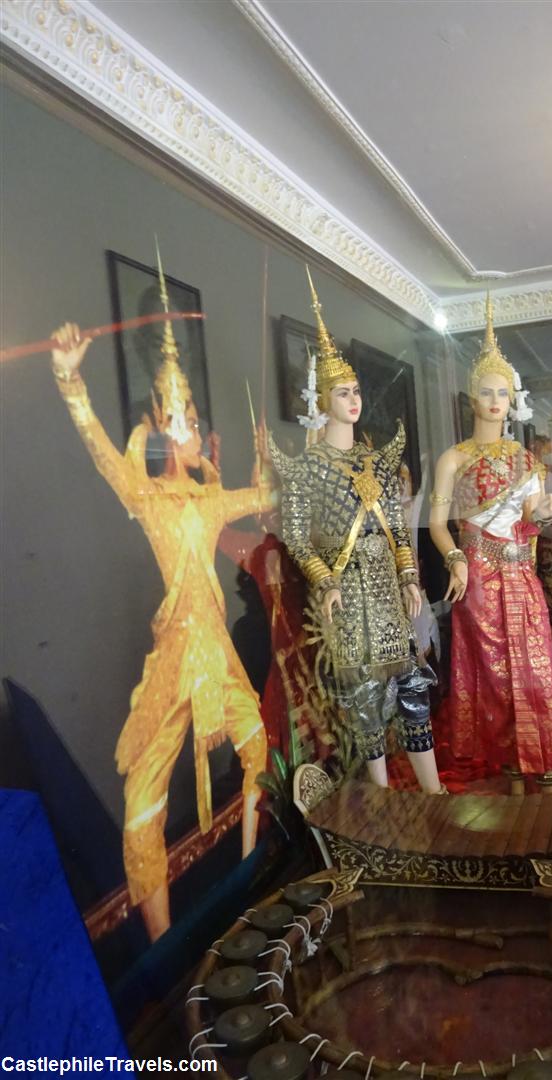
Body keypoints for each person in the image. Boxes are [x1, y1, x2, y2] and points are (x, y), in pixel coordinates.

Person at [50, 262, 273, 941]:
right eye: (169, 415)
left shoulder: (208, 499)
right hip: (176, 657)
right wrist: (69, 379)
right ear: (154, 420)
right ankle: (162, 943)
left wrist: (266, 466)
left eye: (189, 416)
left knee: (260, 749)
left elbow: (259, 500)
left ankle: (250, 879)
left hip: (218, 653)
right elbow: (99, 452)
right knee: (141, 806)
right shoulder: (144, 495)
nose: (180, 425)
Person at [266, 270, 443, 793]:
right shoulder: (306, 468)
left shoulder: (377, 463)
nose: (353, 399)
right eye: (342, 392)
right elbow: (297, 538)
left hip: (389, 590)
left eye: (356, 390)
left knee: (411, 685)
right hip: (349, 594)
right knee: (366, 699)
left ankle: (434, 790)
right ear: (323, 401)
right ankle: (383, 792)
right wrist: (327, 581)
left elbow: (397, 531)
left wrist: (411, 578)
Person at [429, 296, 552, 795]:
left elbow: (531, 518)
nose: (493, 401)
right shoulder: (452, 458)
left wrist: (545, 512)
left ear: (512, 400)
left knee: (535, 672)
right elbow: (438, 524)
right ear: (471, 397)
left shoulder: (525, 458)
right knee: (493, 677)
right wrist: (456, 559)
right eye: (485, 392)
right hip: (478, 578)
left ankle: (546, 769)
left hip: (520, 575)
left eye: (502, 394)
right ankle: (511, 767)